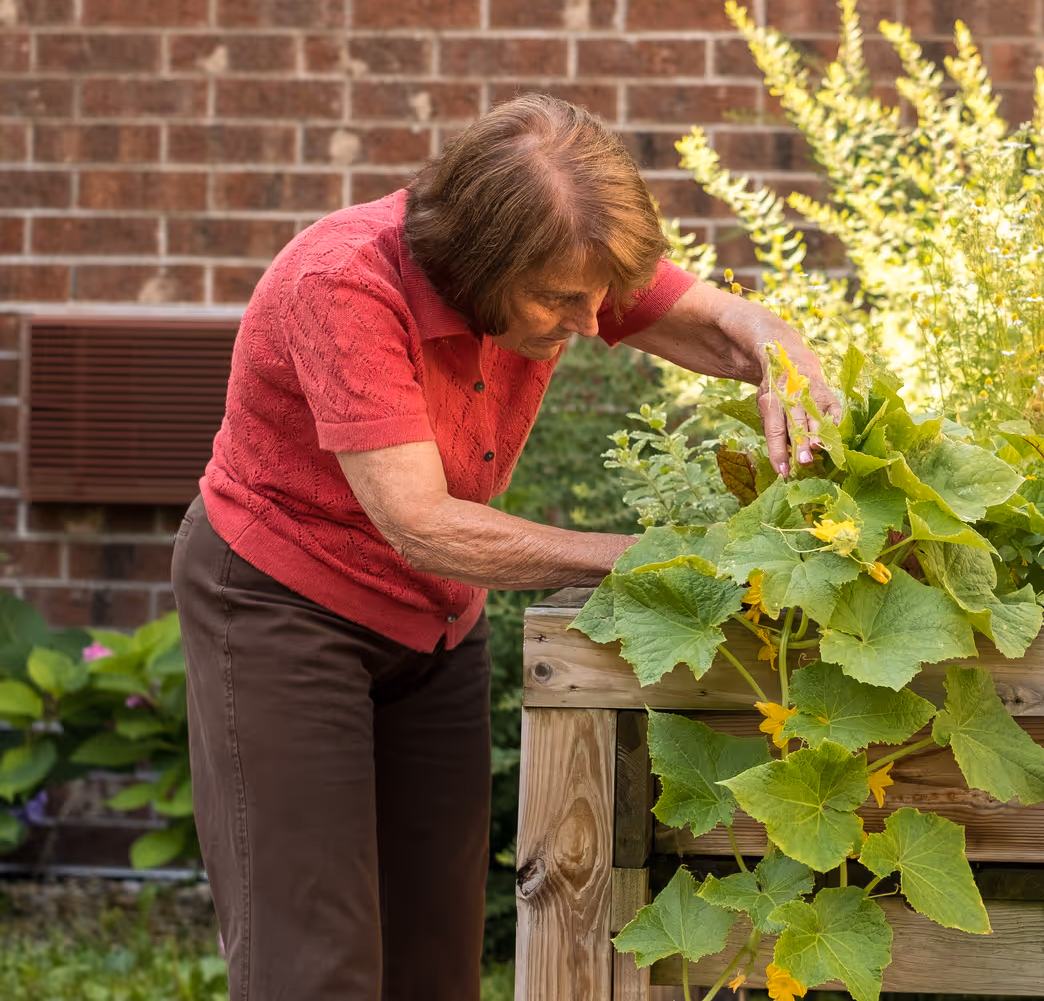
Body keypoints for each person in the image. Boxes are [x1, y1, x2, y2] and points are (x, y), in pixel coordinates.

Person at [171, 93, 838, 1001]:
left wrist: (778, 347)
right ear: (474, 262)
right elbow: (422, 523)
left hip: (436, 622)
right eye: (561, 301)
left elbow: (714, 322)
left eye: (599, 296)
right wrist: (660, 555)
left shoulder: (567, 261)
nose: (591, 322)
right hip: (281, 608)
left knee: (436, 966)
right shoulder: (341, 283)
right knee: (314, 966)